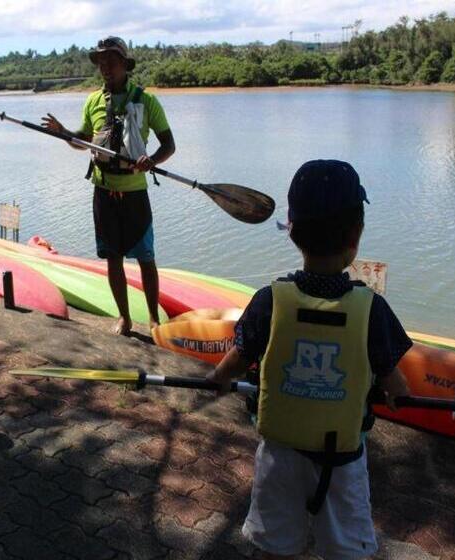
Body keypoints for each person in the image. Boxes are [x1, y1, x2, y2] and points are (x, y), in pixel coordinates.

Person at [207, 160, 412, 559]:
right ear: (357, 235)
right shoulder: (372, 310)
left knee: (275, 545)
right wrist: (394, 395)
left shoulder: (270, 300)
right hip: (343, 463)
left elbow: (234, 361)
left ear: (293, 232)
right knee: (347, 550)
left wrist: (218, 378)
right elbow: (398, 388)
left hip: (279, 456)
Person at [42, 36, 175, 335]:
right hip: (103, 191)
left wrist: (151, 160)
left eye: (111, 63)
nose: (105, 68)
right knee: (112, 257)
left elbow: (169, 144)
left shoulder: (147, 100)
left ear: (125, 66)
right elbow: (82, 140)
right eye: (101, 63)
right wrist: (63, 132)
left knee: (146, 257)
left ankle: (153, 319)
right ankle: (125, 318)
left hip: (135, 192)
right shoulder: (92, 101)